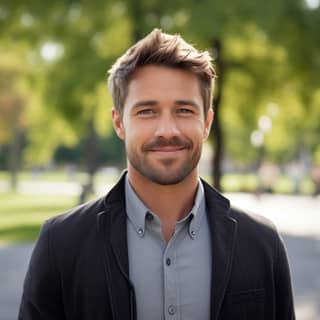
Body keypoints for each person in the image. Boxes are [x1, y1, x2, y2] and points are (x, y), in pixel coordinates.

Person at [19, 29, 295, 320]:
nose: (167, 130)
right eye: (147, 111)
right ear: (119, 122)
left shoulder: (263, 244)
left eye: (184, 110)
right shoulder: (60, 244)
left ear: (207, 122)